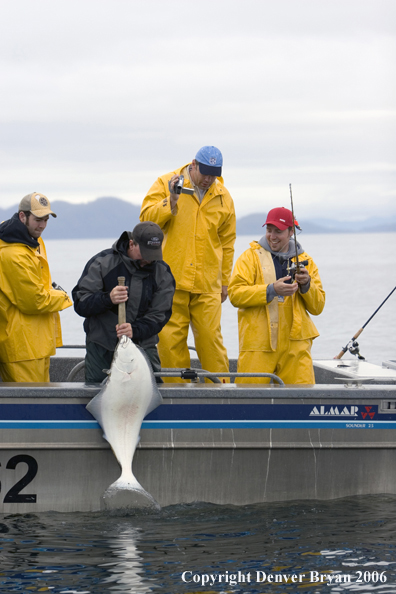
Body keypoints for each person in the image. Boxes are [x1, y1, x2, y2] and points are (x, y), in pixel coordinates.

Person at [140, 146, 236, 380]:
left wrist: (225, 282)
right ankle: (176, 396)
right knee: (170, 343)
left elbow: (227, 243)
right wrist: (171, 200)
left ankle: (221, 394)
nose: (208, 179)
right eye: (205, 173)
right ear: (193, 164)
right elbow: (145, 221)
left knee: (211, 341)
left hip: (208, 284)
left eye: (214, 174)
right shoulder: (165, 182)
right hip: (170, 280)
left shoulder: (224, 196)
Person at [228, 207, 325, 384]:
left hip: (296, 344)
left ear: (290, 232)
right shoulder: (249, 258)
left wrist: (306, 285)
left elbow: (318, 307)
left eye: (278, 231)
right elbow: (235, 294)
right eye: (269, 230)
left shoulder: (306, 261)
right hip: (258, 344)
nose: (272, 236)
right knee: (250, 401)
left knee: (300, 401)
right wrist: (271, 290)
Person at [72, 222, 175, 383]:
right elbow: (80, 303)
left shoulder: (162, 272)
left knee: (149, 400)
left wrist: (135, 330)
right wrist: (108, 299)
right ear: (132, 243)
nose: (148, 260)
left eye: (153, 254)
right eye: (145, 253)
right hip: (102, 347)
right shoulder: (102, 263)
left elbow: (160, 315)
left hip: (143, 347)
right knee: (98, 398)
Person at [0, 192, 72, 382]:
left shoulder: (34, 241)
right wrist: (62, 297)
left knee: (40, 404)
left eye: (46, 220)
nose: (42, 226)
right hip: (21, 347)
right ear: (22, 216)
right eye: (38, 219)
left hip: (36, 342)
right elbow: (33, 300)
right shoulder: (13, 254)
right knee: (28, 407)